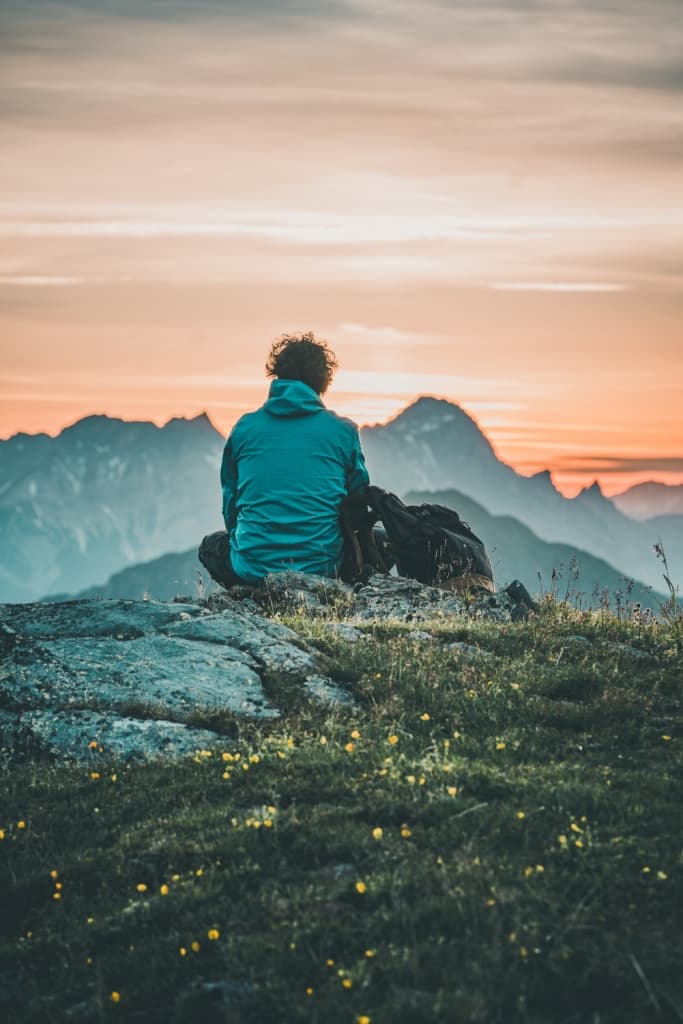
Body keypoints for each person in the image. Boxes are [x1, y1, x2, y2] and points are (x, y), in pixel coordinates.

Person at [198, 332, 370, 587]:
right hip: (323, 568)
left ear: (277, 375)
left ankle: (255, 592)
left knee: (210, 547)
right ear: (323, 381)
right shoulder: (342, 431)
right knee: (381, 540)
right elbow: (358, 499)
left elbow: (231, 503)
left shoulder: (244, 428)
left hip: (252, 568)